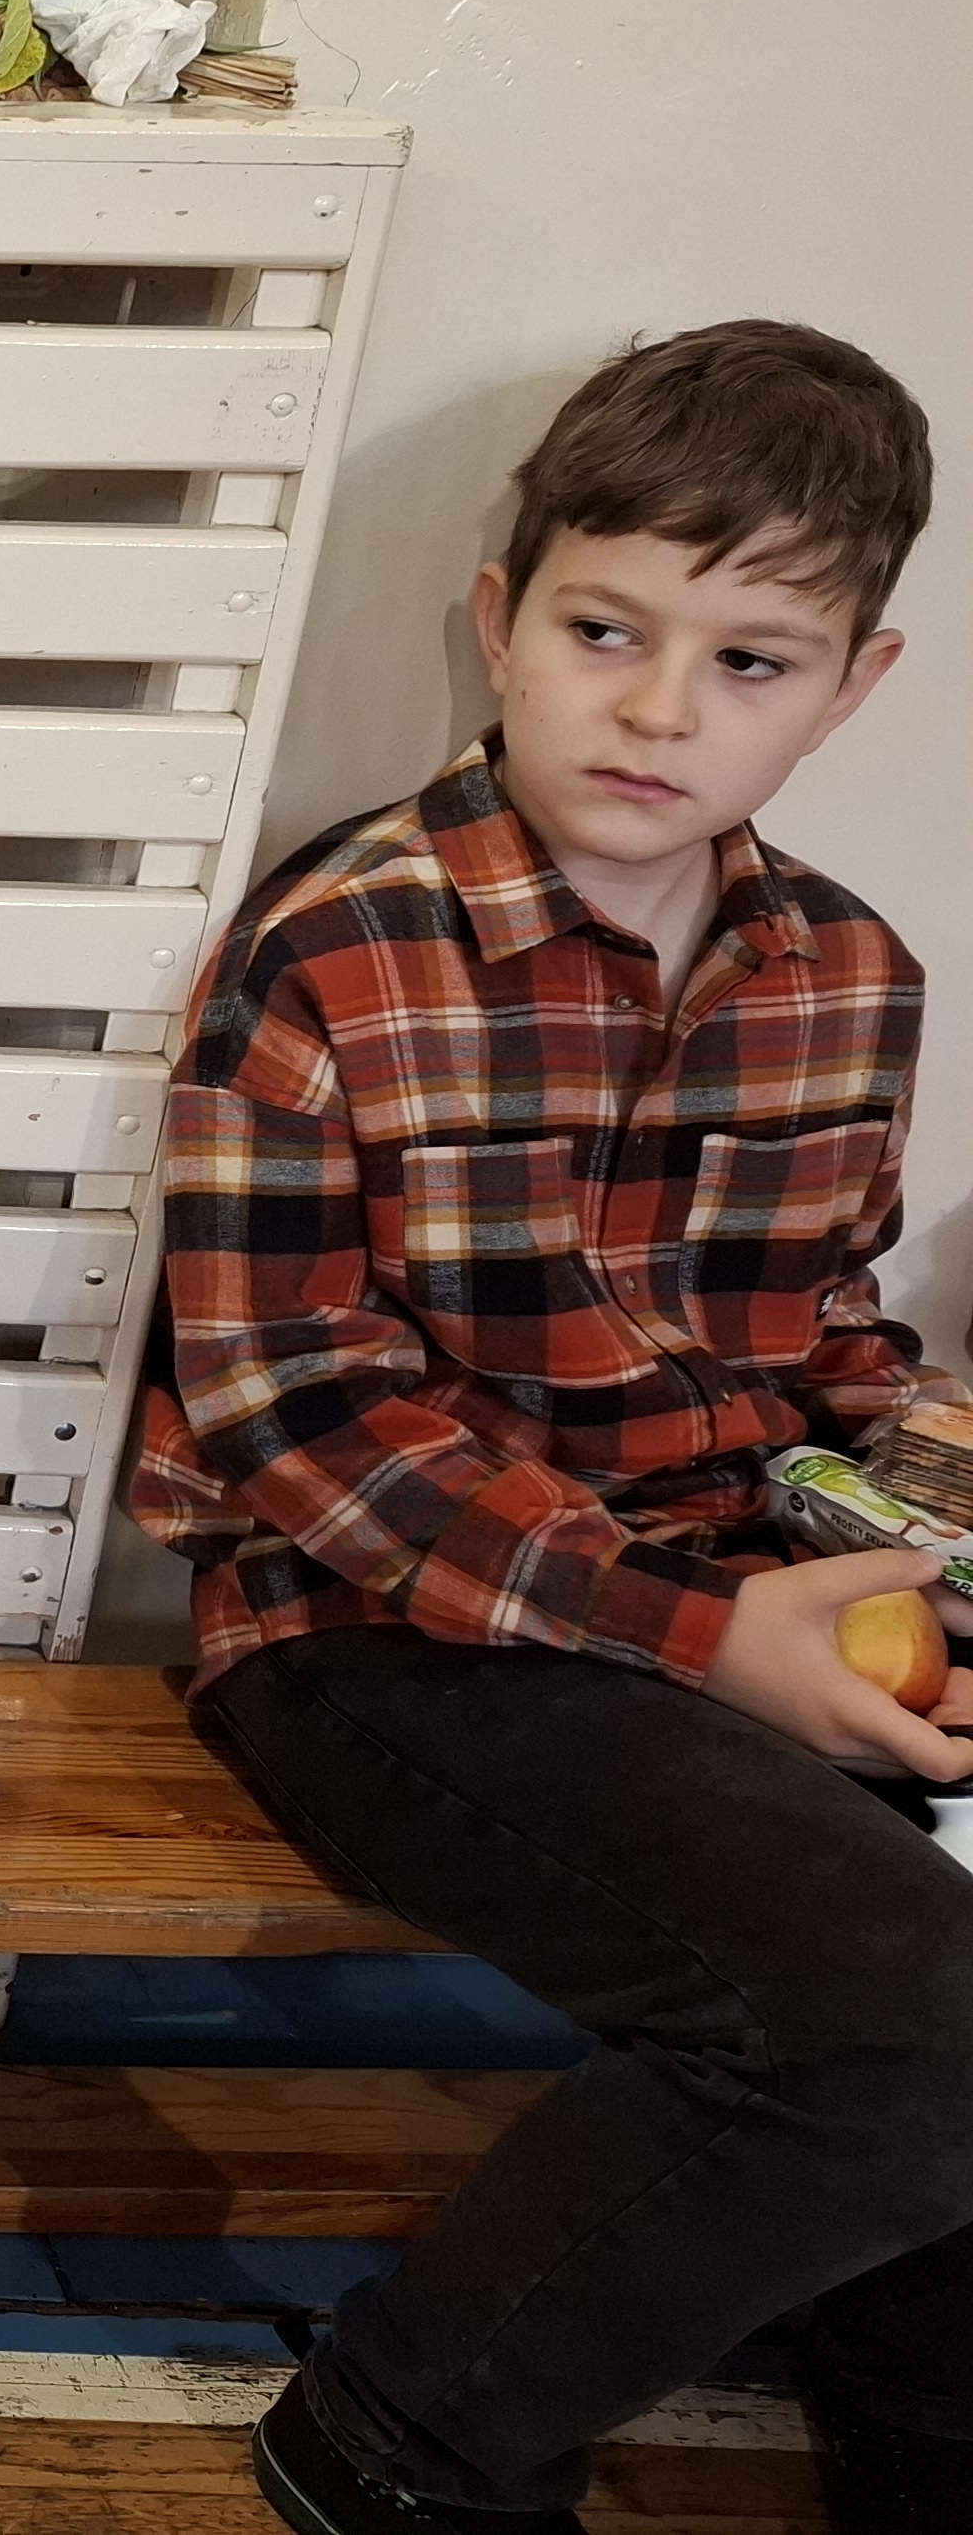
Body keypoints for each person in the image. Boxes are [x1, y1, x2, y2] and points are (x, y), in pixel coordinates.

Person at [128, 321, 969, 2535]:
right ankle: (401, 2436)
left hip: (739, 1597)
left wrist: (923, 1512)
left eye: (750, 661)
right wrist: (709, 1642)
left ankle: (927, 2415)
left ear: (852, 688)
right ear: (502, 622)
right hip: (377, 1636)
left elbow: (824, 1340)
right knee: (910, 2018)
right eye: (609, 632)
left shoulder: (850, 977)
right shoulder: (341, 950)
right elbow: (294, 1415)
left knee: (935, 2012)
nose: (662, 710)